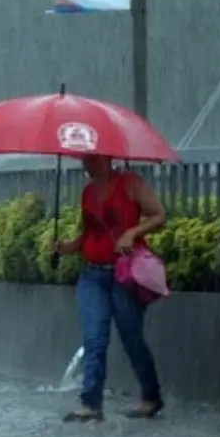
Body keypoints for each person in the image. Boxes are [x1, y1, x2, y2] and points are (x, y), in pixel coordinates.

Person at [55, 155, 166, 422]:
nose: (85, 164)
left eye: (91, 159)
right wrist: (69, 246)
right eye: (84, 159)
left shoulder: (130, 184)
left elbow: (159, 215)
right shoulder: (88, 192)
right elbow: (90, 232)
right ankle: (91, 403)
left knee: (132, 339)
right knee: (94, 339)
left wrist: (132, 233)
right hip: (92, 275)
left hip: (124, 274)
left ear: (107, 158)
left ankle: (151, 397)